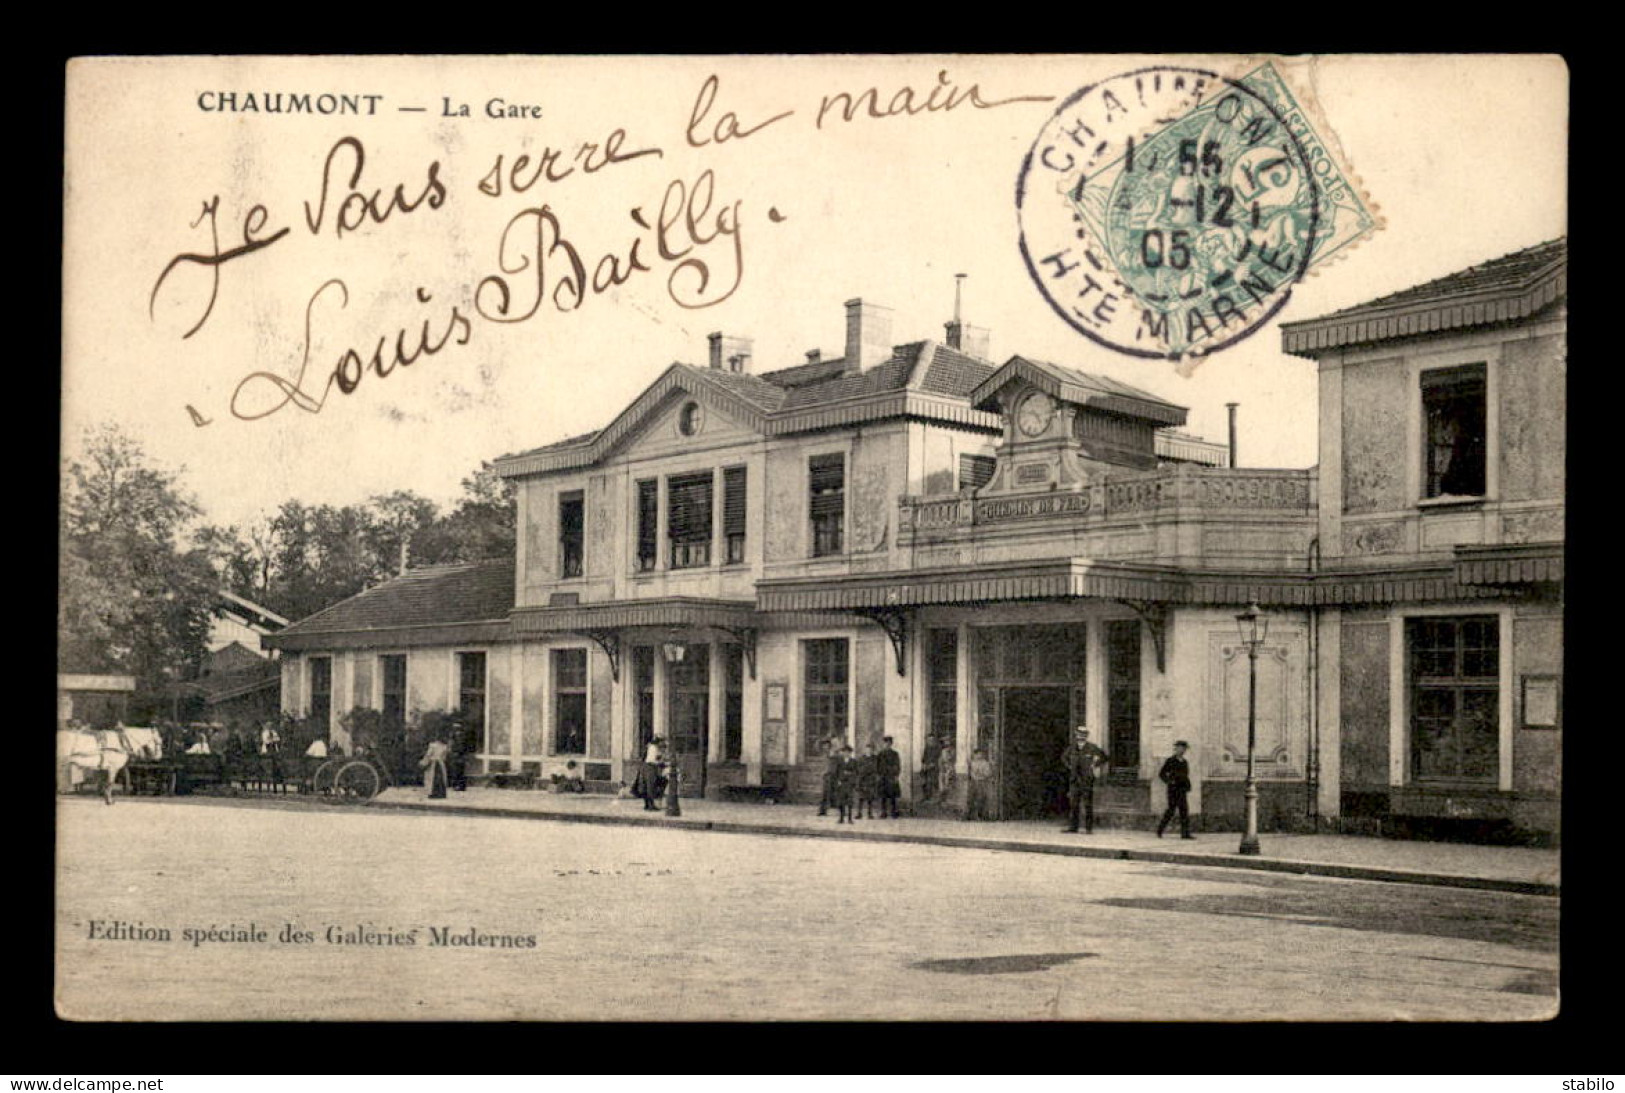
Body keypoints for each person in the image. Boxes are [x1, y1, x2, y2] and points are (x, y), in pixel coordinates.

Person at [1060, 725, 1109, 834]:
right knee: (1074, 804)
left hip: (1087, 780)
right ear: (1076, 735)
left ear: (1086, 736)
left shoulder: (1092, 748)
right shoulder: (1072, 748)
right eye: (1079, 734)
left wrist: (1095, 764)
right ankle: (1073, 827)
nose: (1081, 736)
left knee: (1087, 804)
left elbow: (1104, 757)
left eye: (1084, 734)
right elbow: (1064, 758)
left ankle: (1088, 828)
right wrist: (1070, 767)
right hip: (1074, 780)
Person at [1157, 740, 1195, 839]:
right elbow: (1162, 774)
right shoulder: (1170, 761)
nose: (1182, 750)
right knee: (1171, 810)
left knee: (1184, 811)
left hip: (1182, 789)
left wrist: (1188, 786)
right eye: (1180, 748)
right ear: (1176, 749)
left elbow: (1186, 775)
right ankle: (1160, 830)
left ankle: (1185, 834)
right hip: (1173, 790)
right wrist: (1169, 781)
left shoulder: (1185, 762)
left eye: (1184, 748)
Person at [875, 736, 902, 818]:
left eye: (888, 743)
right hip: (883, 776)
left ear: (891, 744)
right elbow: (877, 765)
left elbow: (897, 765)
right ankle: (883, 812)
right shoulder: (880, 754)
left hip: (891, 776)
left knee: (892, 795)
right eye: (885, 743)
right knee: (883, 795)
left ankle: (893, 812)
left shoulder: (895, 754)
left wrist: (896, 775)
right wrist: (878, 775)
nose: (887, 745)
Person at [966, 746, 995, 820]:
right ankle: (970, 814)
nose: (978, 755)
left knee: (981, 798)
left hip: (982, 782)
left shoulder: (985, 763)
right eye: (976, 754)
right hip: (973, 782)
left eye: (979, 754)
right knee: (971, 798)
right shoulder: (972, 763)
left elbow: (988, 773)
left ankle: (981, 815)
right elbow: (970, 773)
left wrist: (981, 773)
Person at [639, 736, 667, 811]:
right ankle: (650, 805)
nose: (663, 743)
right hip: (649, 767)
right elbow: (652, 760)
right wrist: (661, 763)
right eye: (662, 741)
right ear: (659, 741)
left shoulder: (654, 748)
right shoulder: (653, 748)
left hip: (648, 767)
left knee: (648, 786)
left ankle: (648, 805)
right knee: (650, 786)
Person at [817, 738, 843, 817]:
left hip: (835, 776)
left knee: (837, 794)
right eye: (824, 745)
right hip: (826, 776)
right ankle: (822, 810)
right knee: (824, 794)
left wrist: (840, 778)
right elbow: (816, 745)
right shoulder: (824, 754)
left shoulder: (838, 756)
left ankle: (842, 811)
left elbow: (840, 767)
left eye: (827, 745)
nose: (825, 747)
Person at [833, 744, 858, 824]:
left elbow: (856, 772)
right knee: (841, 801)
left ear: (850, 753)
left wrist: (850, 775)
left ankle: (850, 819)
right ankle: (841, 818)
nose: (846, 753)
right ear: (843, 753)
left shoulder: (853, 761)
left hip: (849, 784)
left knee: (849, 801)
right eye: (845, 752)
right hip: (842, 783)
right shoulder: (839, 761)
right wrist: (838, 781)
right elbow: (836, 772)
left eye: (848, 752)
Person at [419, 734, 450, 799]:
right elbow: (444, 757)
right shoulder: (444, 746)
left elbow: (428, 754)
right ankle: (441, 793)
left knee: (432, 779)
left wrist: (424, 762)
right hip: (441, 764)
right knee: (441, 779)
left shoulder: (432, 745)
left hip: (433, 763)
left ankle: (433, 793)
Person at [854, 742, 878, 820]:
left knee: (870, 798)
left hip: (871, 780)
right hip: (862, 780)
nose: (869, 751)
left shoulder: (875, 758)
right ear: (865, 750)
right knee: (861, 797)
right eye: (868, 749)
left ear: (873, 750)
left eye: (871, 749)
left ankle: (870, 813)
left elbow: (877, 768)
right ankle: (859, 813)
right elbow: (858, 769)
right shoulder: (861, 758)